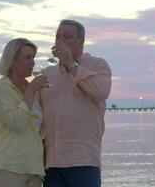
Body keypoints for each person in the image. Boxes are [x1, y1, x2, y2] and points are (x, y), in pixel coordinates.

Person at [40, 19, 112, 187]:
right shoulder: (47, 74)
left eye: (66, 36)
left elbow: (101, 92)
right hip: (51, 163)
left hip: (83, 160)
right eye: (57, 36)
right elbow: (38, 116)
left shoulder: (98, 65)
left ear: (81, 42)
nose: (59, 40)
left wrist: (71, 65)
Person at [0, 38, 49, 187]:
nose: (32, 62)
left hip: (34, 169)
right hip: (9, 167)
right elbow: (17, 122)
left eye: (33, 57)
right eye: (27, 57)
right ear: (12, 60)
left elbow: (38, 131)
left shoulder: (32, 89)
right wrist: (32, 90)